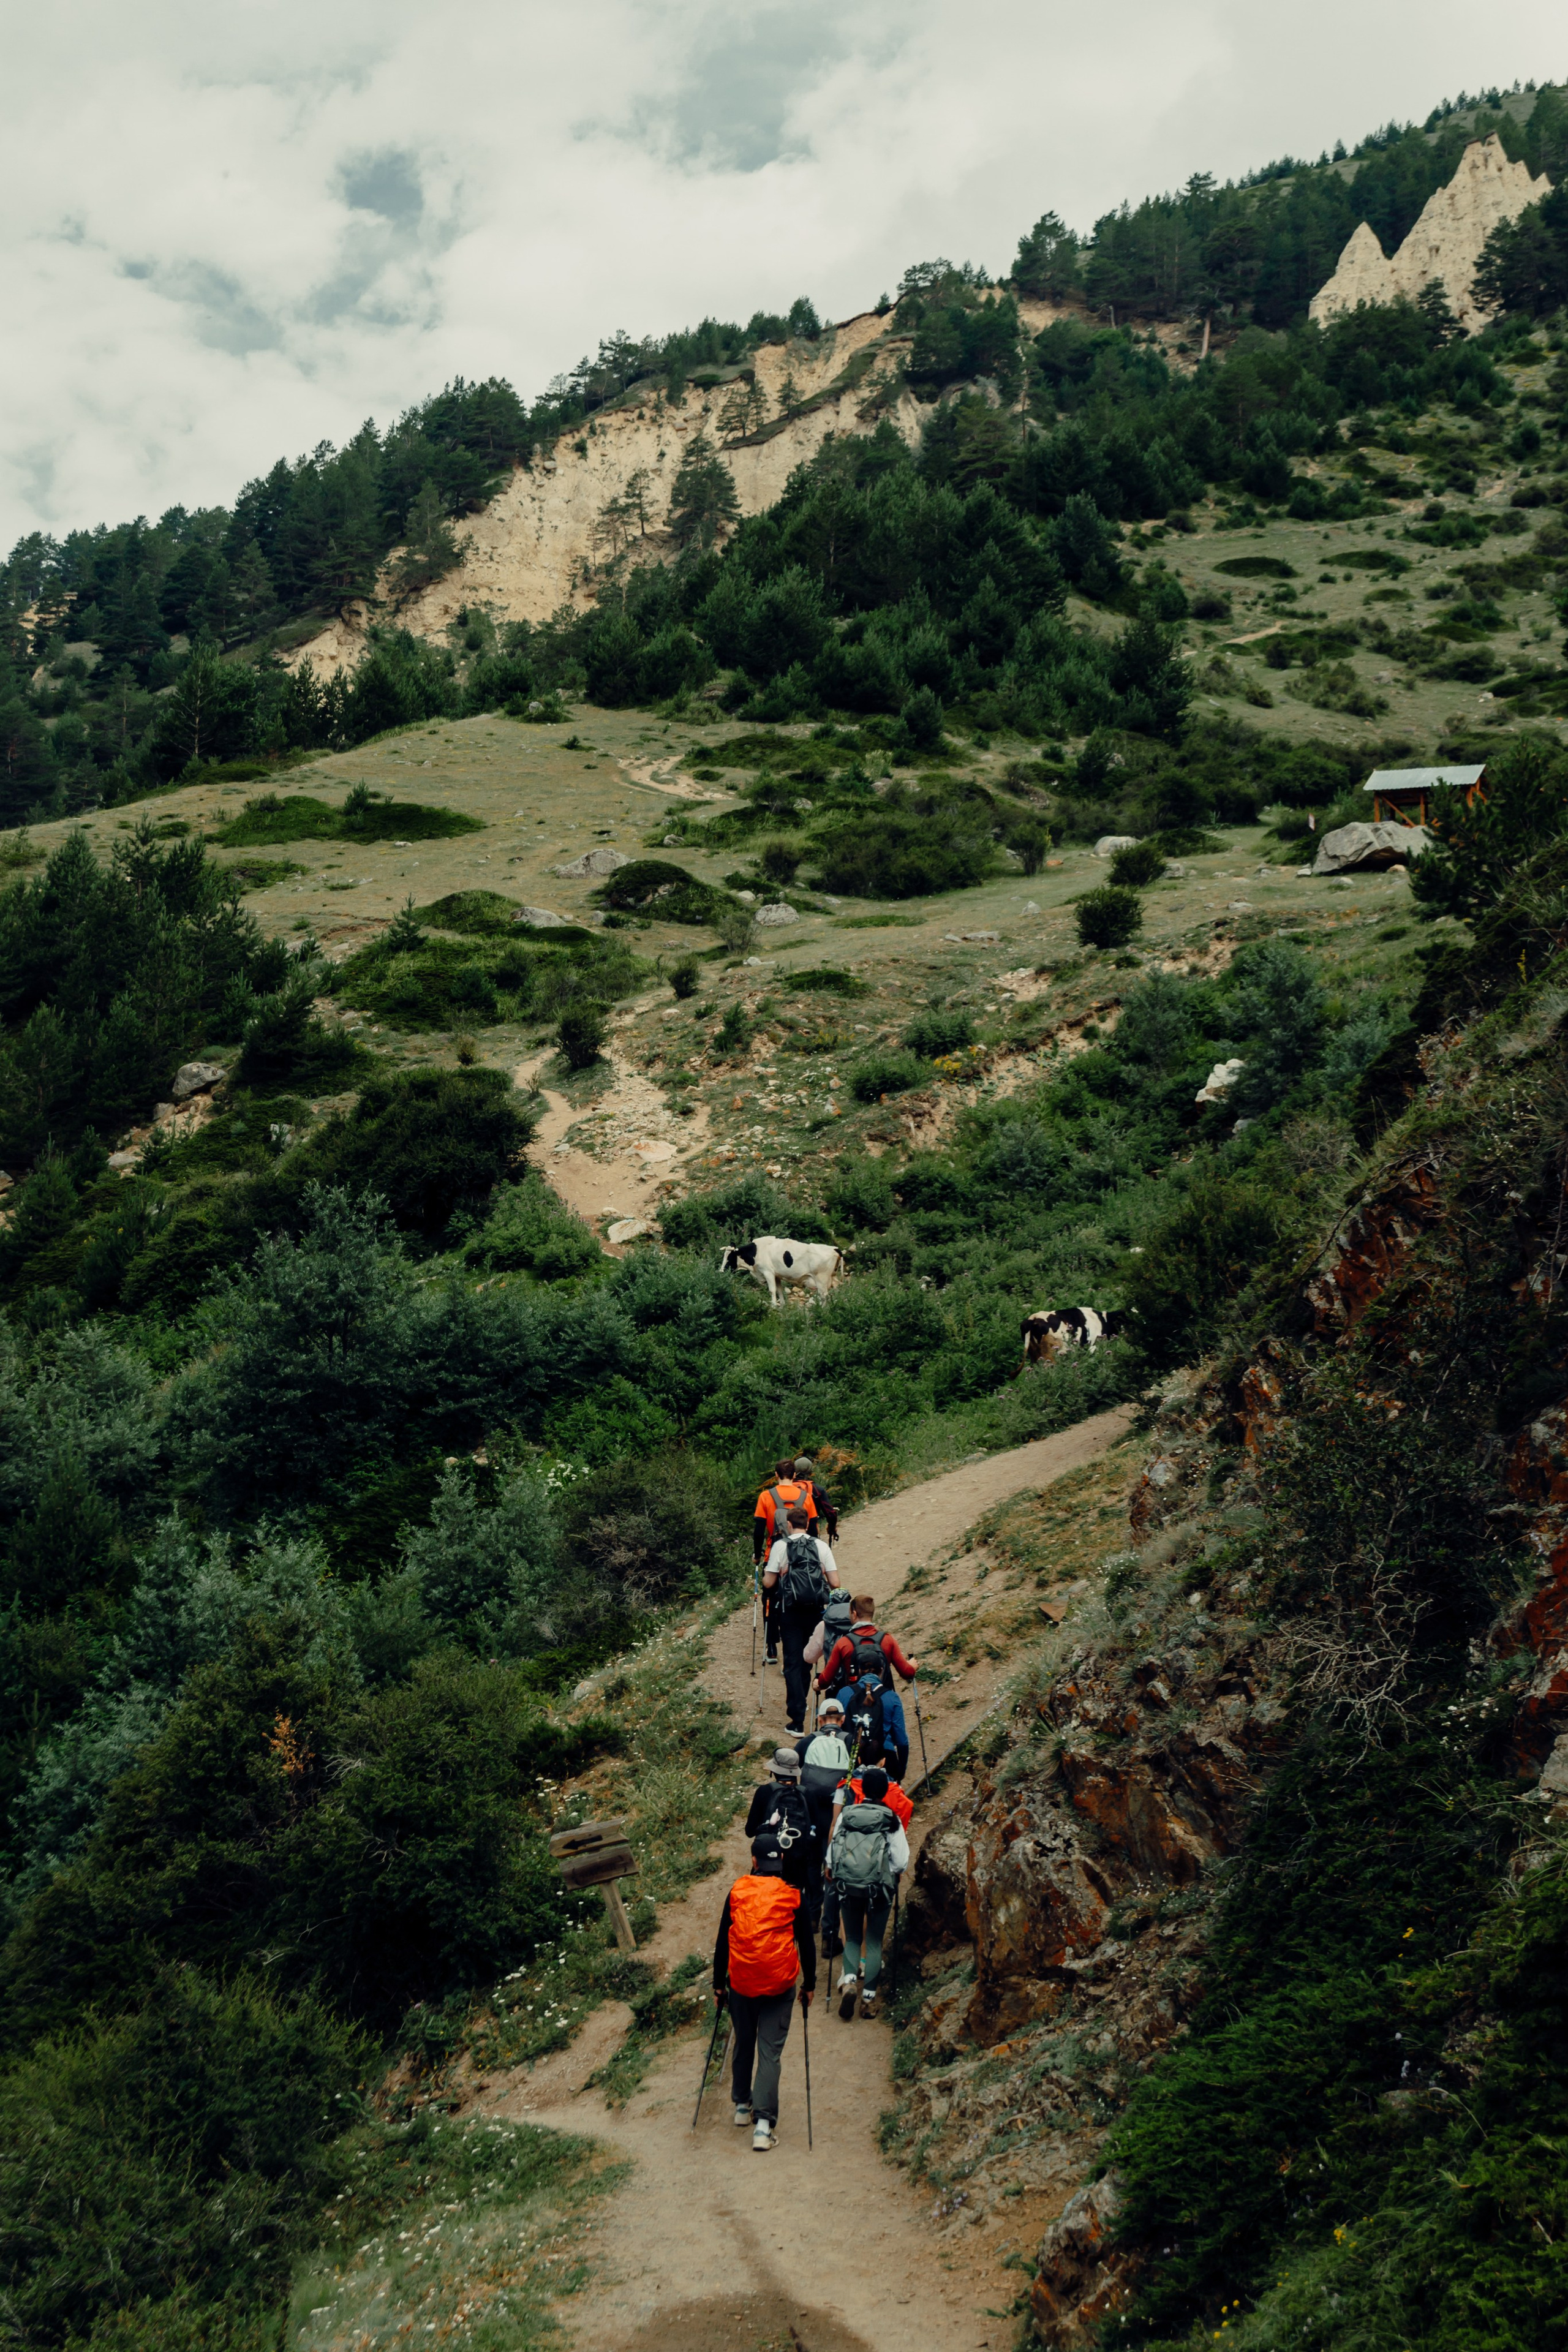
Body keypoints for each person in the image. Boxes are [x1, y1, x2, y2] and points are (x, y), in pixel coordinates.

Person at [712, 1830, 815, 2150]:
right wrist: (809, 1985)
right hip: (780, 1984)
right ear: (781, 1859)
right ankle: (764, 2126)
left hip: (742, 1982)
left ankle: (743, 2106)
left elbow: (721, 1943)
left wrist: (719, 1984)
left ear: (754, 1860)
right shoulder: (793, 1896)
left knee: (744, 2040)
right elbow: (808, 1946)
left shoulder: (737, 1891)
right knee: (769, 2052)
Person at [825, 1766, 908, 2022]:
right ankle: (869, 2001)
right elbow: (901, 1862)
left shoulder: (847, 1815)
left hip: (848, 1886)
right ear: (885, 1791)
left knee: (851, 1938)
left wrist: (832, 1871)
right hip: (878, 1890)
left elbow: (833, 1851)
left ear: (862, 1790)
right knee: (872, 1941)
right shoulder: (890, 1819)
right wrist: (889, 1875)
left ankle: (849, 1982)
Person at [761, 1504, 839, 1735]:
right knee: (808, 1660)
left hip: (790, 1611)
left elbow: (768, 1583)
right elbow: (835, 1582)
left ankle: (796, 1721)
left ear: (788, 1525)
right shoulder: (821, 1546)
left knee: (793, 1662)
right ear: (808, 1524)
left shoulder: (780, 1546)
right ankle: (802, 1701)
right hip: (816, 1612)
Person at [794, 1697, 852, 1942]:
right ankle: (831, 1931)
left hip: (810, 1811)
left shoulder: (808, 1742)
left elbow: (796, 1771)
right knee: (833, 1866)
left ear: (819, 1720)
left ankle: (812, 1915)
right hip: (836, 1812)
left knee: (811, 1863)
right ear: (843, 1720)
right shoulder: (850, 1741)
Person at [753, 1458, 816, 1663]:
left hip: (775, 1555)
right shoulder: (805, 1497)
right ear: (795, 1476)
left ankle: (771, 1647)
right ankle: (798, 1646)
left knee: (769, 1598)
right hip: (801, 1558)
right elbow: (813, 1529)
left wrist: (757, 1554)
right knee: (798, 1599)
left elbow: (759, 1530)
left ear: (776, 1474)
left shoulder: (766, 1497)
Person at [744, 1746, 817, 1919]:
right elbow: (814, 1832)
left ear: (774, 1771)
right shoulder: (807, 1795)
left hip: (767, 1864)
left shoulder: (765, 1792)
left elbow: (749, 1831)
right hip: (798, 1866)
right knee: (794, 1911)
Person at [817, 1596, 918, 1703]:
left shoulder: (844, 1643)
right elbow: (907, 1673)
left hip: (855, 1702)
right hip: (882, 1700)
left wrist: (818, 1682)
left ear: (854, 1614)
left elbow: (825, 1681)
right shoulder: (887, 1640)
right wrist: (912, 1666)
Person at [792, 1455, 838, 1544]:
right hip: (810, 1534)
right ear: (810, 1472)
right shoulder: (817, 1490)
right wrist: (832, 1528)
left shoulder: (785, 1488)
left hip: (787, 1535)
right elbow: (831, 1514)